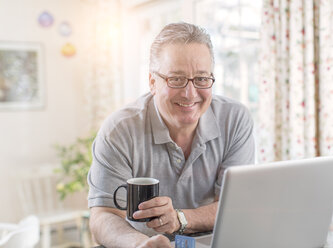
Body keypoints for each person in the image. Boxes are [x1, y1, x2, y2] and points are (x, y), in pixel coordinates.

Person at [88, 22, 255, 248]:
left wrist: (179, 218)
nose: (190, 94)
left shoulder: (235, 119)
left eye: (201, 79)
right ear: (152, 82)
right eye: (176, 79)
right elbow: (103, 215)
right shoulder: (119, 130)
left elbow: (235, 206)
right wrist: (140, 244)